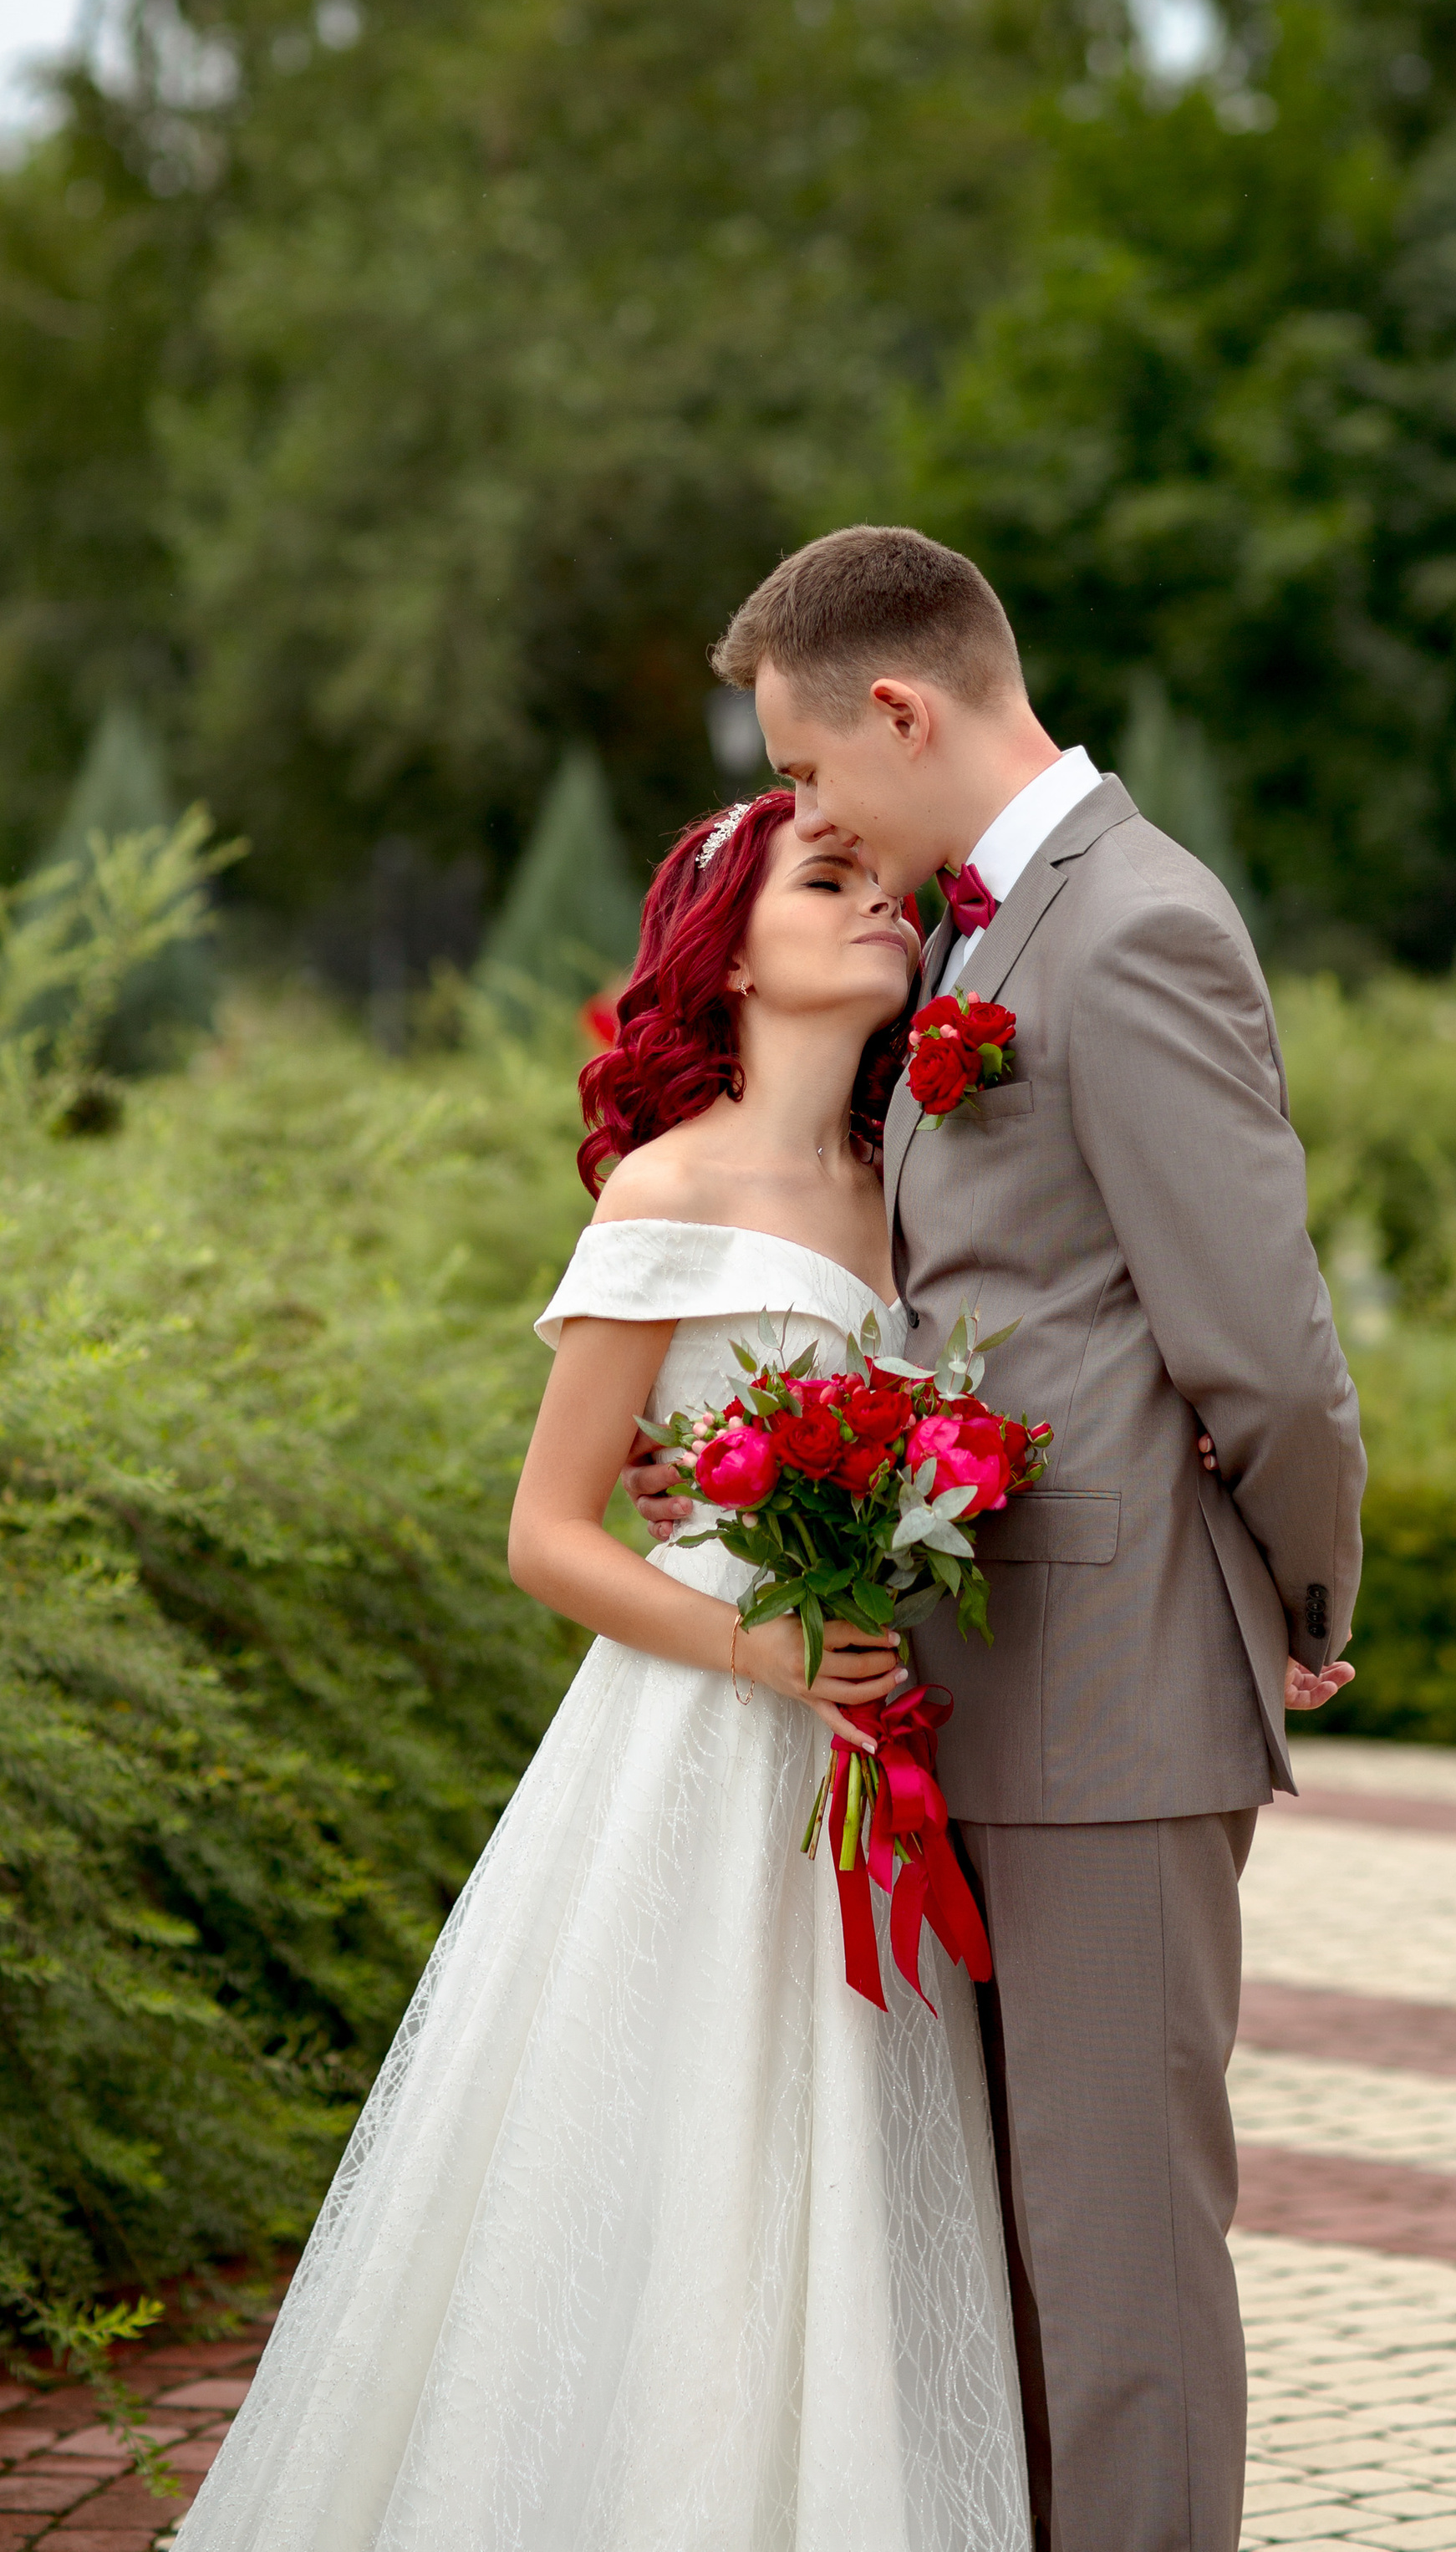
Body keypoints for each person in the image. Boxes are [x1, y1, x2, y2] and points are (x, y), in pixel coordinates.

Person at [176, 797, 1031, 2552]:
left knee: (850, 2168)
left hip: (878, 1740)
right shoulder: (668, 1188)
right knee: (679, 2158)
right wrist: (768, 1641)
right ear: (725, 955)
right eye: (831, 882)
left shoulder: (919, 1183)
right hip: (704, 1744)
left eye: (894, 887)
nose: (885, 906)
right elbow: (551, 1532)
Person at [631, 527, 1365, 2552]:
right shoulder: (981, 930)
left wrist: (1298, 1593)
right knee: (1023, 2258)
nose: (801, 816)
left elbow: (1267, 1354)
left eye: (801, 773)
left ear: (900, 707)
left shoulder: (1130, 923)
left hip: (1118, 1688)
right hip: (993, 1683)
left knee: (1117, 2263)